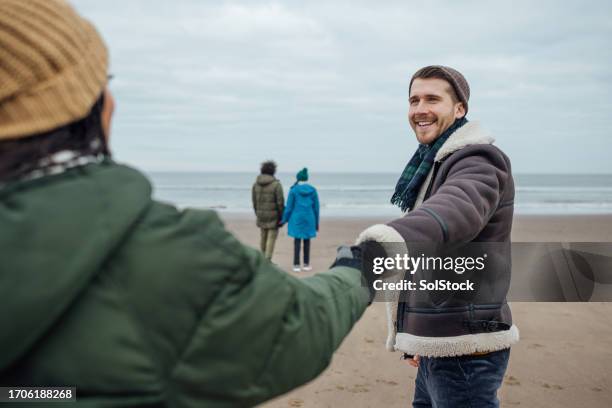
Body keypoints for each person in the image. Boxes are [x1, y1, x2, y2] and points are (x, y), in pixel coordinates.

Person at [0, 1, 372, 406]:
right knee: (286, 244)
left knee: (268, 241)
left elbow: (260, 199)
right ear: (78, 104)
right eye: (101, 82)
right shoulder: (164, 251)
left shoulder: (252, 187)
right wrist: (356, 272)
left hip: (267, 218)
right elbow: (297, 326)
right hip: (291, 229)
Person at [356, 66, 519, 407]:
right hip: (436, 345)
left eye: (433, 99)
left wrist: (386, 242)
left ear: (460, 109)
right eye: (414, 100)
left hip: (467, 350)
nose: (420, 109)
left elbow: (455, 211)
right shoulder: (432, 165)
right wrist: (413, 334)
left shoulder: (479, 159)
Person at [281, 168, 320, 272]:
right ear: (307, 179)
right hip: (309, 218)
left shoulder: (293, 190)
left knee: (297, 241)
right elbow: (316, 208)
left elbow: (289, 207)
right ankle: (306, 264)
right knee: (307, 240)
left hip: (297, 218)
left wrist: (284, 219)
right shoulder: (313, 190)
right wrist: (316, 223)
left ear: (298, 178)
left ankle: (296, 265)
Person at [252, 160, 284, 260]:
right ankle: (268, 260)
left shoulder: (256, 184)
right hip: (273, 215)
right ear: (273, 171)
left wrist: (257, 213)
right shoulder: (276, 184)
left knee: (263, 236)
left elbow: (254, 201)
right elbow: (280, 202)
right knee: (271, 237)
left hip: (261, 214)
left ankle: (262, 259)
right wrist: (281, 216)